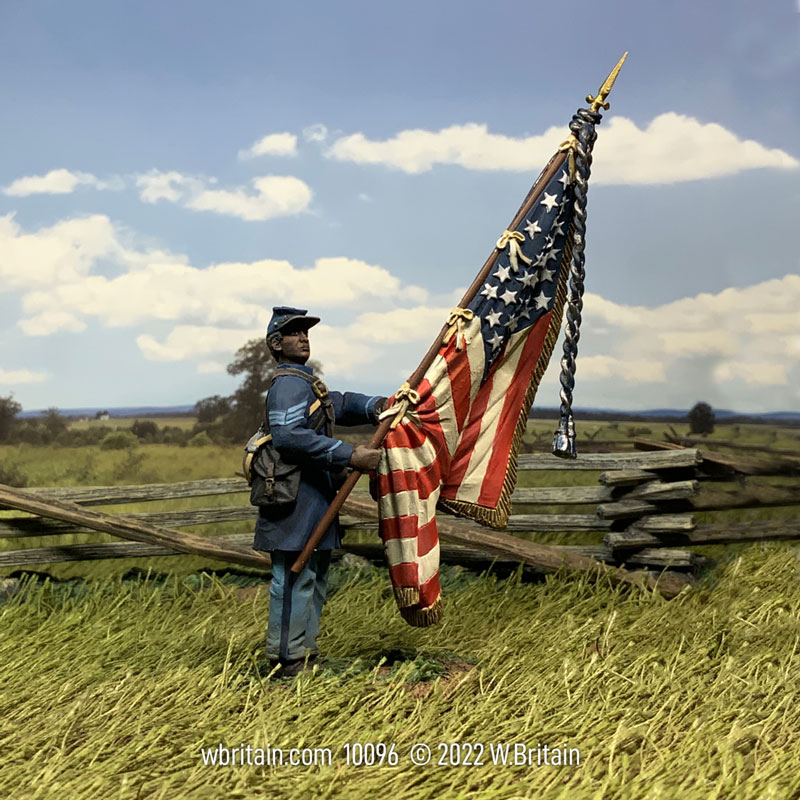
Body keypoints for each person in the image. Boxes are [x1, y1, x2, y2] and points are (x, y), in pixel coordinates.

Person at [254, 306, 385, 677]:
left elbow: (336, 403)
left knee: (312, 577)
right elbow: (289, 436)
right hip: (291, 496)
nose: (303, 337)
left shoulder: (305, 382)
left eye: (305, 332)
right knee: (293, 578)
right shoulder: (288, 385)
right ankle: (285, 660)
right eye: (294, 333)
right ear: (277, 344)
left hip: (312, 495)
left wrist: (374, 406)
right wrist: (350, 454)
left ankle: (304, 652)